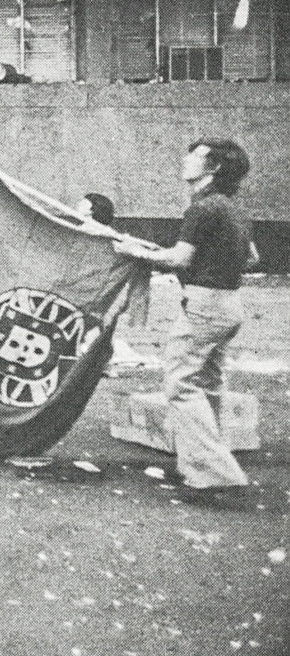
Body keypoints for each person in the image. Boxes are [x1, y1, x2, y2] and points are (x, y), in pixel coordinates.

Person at [114, 139, 258, 493]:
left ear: (214, 169)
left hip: (204, 307)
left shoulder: (203, 208)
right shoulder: (234, 208)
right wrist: (211, 263)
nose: (185, 160)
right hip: (229, 304)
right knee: (206, 383)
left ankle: (215, 475)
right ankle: (200, 465)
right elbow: (251, 258)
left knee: (179, 385)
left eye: (194, 156)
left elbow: (179, 259)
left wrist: (137, 251)